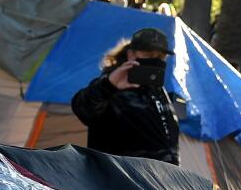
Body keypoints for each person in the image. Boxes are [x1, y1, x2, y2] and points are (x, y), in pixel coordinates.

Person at [70, 26, 180, 163]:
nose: (156, 61)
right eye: (149, 55)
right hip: (120, 178)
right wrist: (108, 86)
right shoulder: (111, 84)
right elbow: (83, 108)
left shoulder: (157, 90)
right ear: (131, 55)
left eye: (161, 56)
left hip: (159, 179)